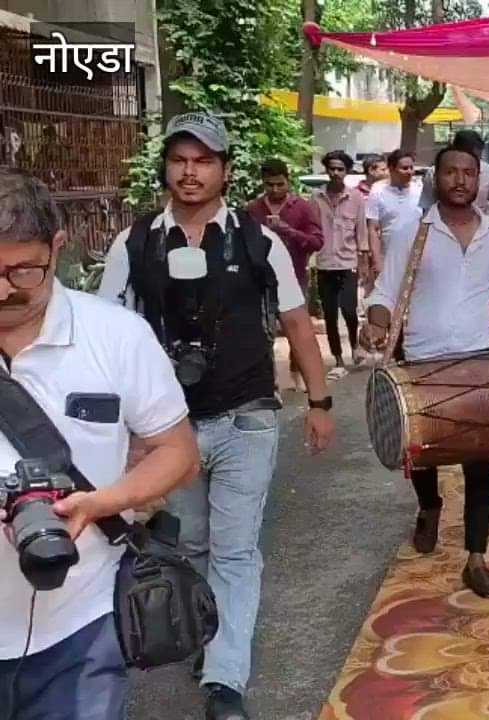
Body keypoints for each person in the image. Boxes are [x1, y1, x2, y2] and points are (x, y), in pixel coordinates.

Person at [99, 112, 336, 720]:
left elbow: (294, 322)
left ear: (225, 171)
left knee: (234, 551)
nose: (190, 171)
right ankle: (209, 635)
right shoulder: (135, 242)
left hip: (247, 416)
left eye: (203, 160)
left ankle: (225, 678)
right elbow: (107, 332)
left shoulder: (260, 241)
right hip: (167, 428)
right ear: (166, 169)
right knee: (194, 544)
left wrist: (319, 401)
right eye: (179, 160)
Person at [0, 168, 199, 720]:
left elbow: (178, 454)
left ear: (58, 248)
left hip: (79, 628)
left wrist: (99, 504)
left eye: (23, 270)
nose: (3, 289)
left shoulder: (116, 336)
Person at [361, 144, 489, 598]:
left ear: (480, 180)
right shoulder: (412, 231)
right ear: (437, 179)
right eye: (450, 172)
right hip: (422, 359)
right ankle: (430, 506)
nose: (460, 180)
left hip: (479, 360)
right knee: (423, 454)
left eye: (468, 173)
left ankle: (476, 558)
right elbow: (384, 291)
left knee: (480, 463)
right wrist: (375, 324)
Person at [247, 158, 324, 391]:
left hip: (294, 276)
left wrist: (288, 231)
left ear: (288, 181)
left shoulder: (302, 207)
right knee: (263, 330)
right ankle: (268, 380)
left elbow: (317, 241)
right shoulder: (253, 209)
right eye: (270, 184)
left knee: (297, 329)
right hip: (260, 279)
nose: (275, 189)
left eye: (280, 184)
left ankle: (297, 371)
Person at [312, 150, 369, 380]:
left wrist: (364, 263)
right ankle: (337, 358)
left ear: (346, 171)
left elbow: (362, 231)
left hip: (348, 262)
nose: (335, 173)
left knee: (349, 309)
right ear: (326, 170)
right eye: (332, 168)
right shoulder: (316, 198)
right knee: (329, 315)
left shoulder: (355, 198)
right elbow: (311, 230)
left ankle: (355, 345)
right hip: (325, 263)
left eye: (340, 169)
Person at [366, 149, 422, 290]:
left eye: (411, 167)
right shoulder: (377, 190)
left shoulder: (420, 190)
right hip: (389, 259)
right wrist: (377, 261)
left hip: (417, 260)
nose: (409, 171)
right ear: (391, 169)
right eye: (404, 168)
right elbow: (373, 229)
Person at [421, 131, 489, 222]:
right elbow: (427, 206)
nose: (460, 181)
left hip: (482, 231)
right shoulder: (434, 173)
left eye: (477, 156)